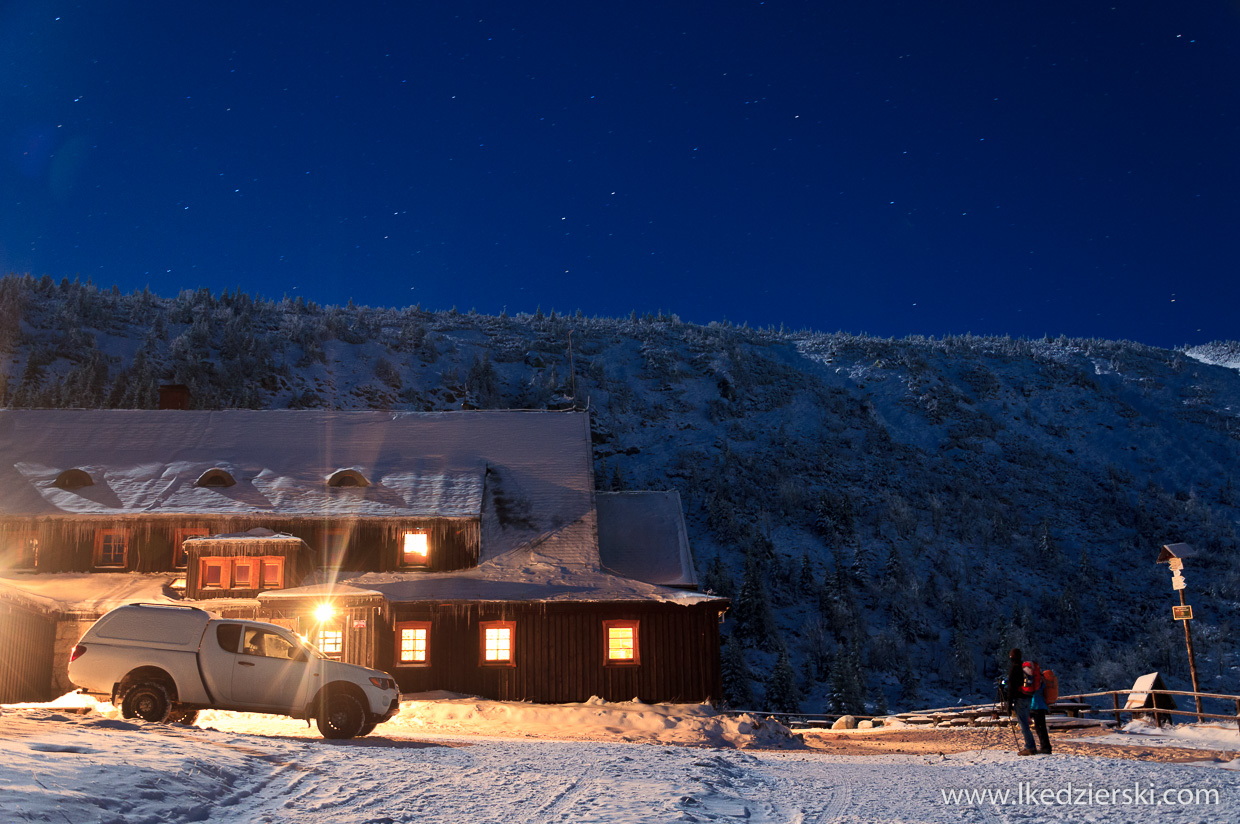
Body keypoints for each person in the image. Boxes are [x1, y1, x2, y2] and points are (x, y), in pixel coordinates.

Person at [1005, 648, 1037, 756]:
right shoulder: (1024, 667)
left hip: (1020, 698)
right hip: (1028, 697)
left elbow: (1011, 687)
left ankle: (1030, 747)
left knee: (1023, 723)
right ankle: (1031, 745)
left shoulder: (1014, 668)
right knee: (1025, 722)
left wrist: (1008, 704)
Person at [1028, 661, 1053, 754]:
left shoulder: (1034, 679)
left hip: (1035, 705)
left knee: (1039, 728)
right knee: (1040, 728)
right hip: (1040, 705)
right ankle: (1045, 747)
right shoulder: (1040, 678)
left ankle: (1045, 747)